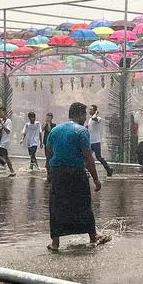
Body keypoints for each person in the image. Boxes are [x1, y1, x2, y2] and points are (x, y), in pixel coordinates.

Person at [44, 101, 111, 252]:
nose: (85, 119)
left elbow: (48, 152)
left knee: (57, 206)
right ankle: (93, 238)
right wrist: (96, 179)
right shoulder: (81, 131)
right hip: (75, 172)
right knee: (83, 204)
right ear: (79, 114)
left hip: (58, 172)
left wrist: (49, 172)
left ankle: (55, 243)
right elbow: (88, 157)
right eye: (84, 115)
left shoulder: (55, 130)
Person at [84, 104, 113, 177]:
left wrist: (96, 113)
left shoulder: (98, 119)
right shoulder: (90, 119)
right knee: (87, 157)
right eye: (89, 109)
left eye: (91, 109)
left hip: (96, 142)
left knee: (99, 157)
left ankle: (108, 169)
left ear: (95, 111)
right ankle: (87, 171)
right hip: (90, 142)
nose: (89, 111)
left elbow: (95, 119)